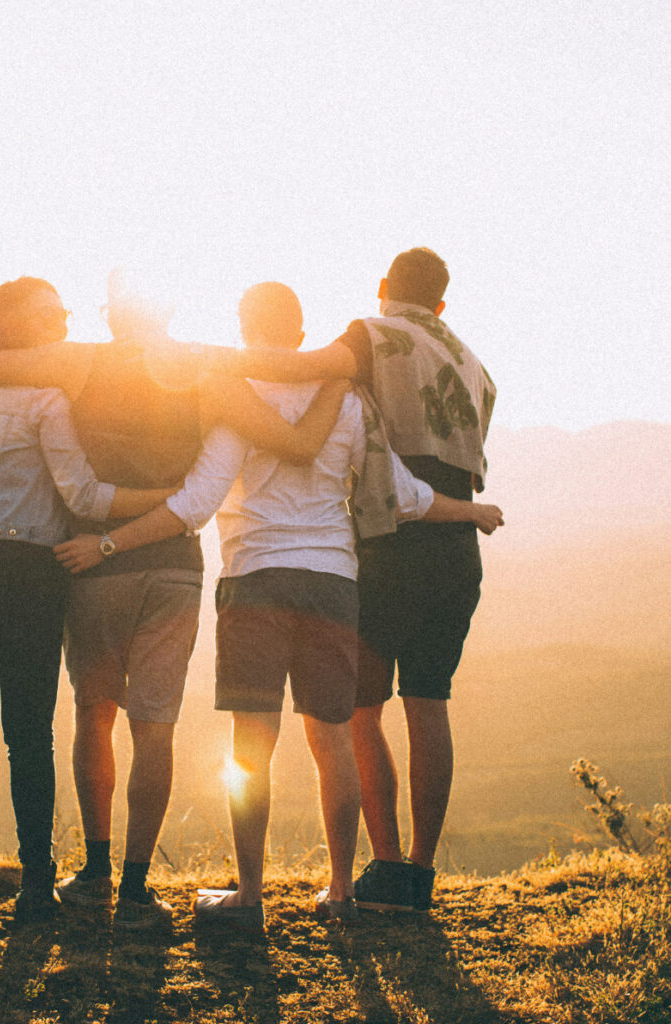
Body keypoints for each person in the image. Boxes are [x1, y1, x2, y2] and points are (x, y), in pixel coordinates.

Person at [54, 280, 503, 931]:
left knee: (251, 747)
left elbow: (196, 503)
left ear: (244, 329)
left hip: (255, 582)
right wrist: (472, 511)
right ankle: (343, 892)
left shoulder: (235, 398)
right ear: (299, 335)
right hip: (333, 584)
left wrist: (109, 541)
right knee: (332, 742)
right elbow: (401, 494)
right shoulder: (348, 401)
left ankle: (250, 896)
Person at [0, 270, 347, 930]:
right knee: (154, 726)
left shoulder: (78, 363)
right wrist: (340, 374)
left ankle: (95, 870)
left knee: (94, 712)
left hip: (91, 563)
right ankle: (136, 889)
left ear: (112, 316)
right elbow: (293, 438)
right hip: (172, 568)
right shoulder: (205, 369)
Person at [202, 249, 499, 913]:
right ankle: (417, 877)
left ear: (385, 288)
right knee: (430, 703)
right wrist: (474, 512)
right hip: (453, 541)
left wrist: (205, 362)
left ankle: (383, 869)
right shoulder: (474, 364)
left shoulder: (371, 336)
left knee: (356, 712)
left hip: (388, 540)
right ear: (442, 304)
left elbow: (300, 369)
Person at [0, 277, 176, 922]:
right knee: (28, 734)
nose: (65, 323)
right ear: (25, 327)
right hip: (26, 574)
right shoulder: (46, 399)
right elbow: (85, 499)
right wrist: (169, 500)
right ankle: (37, 884)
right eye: (54, 315)